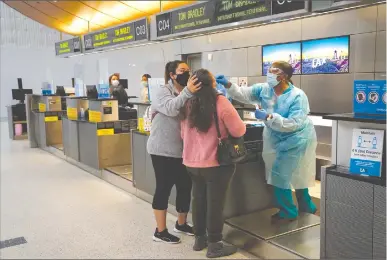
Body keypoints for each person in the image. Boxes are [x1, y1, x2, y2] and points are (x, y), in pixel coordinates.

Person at [216, 61, 317, 221]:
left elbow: (294, 123)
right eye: (269, 70)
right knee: (294, 173)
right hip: (276, 138)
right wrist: (228, 84)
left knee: (282, 173)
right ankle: (307, 206)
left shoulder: (297, 96)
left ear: (284, 76)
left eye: (274, 71)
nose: (269, 74)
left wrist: (269, 117)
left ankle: (288, 211)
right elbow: (244, 94)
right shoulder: (265, 89)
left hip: (297, 139)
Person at [180, 69, 246, 258]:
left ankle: (199, 239)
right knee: (215, 204)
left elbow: (183, 134)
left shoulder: (187, 103)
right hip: (216, 164)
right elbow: (239, 130)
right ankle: (215, 245)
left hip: (191, 163)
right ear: (213, 84)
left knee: (198, 200)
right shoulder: (220, 102)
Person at [147, 60, 202, 244]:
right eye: (182, 70)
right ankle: (160, 231)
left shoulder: (190, 93)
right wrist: (188, 92)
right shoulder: (163, 92)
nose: (187, 73)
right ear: (172, 74)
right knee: (164, 187)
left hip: (183, 150)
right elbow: (171, 109)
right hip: (162, 149)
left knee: (185, 186)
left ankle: (181, 223)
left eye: (188, 70)